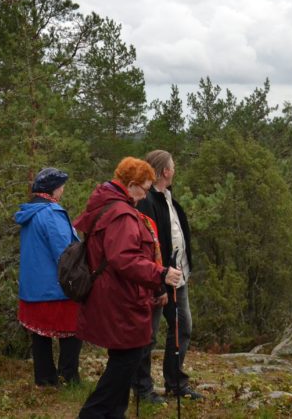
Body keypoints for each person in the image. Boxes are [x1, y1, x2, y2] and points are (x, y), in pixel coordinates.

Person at [74, 157, 183, 419]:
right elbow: (125, 260)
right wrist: (161, 274)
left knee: (124, 355)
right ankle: (92, 413)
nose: (145, 195)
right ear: (131, 185)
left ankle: (114, 413)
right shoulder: (121, 214)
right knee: (128, 358)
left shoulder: (108, 204)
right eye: (145, 189)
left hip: (113, 294)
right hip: (120, 297)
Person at [131, 150, 201, 403]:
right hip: (157, 280)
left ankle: (176, 382)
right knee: (148, 335)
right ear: (165, 171)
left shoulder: (167, 197)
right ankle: (142, 388)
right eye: (173, 166)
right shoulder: (148, 201)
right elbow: (149, 244)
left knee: (183, 328)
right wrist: (157, 283)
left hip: (176, 278)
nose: (175, 170)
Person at [15, 167, 83, 387]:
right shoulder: (51, 213)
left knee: (40, 337)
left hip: (32, 288)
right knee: (73, 331)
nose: (63, 190)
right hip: (56, 289)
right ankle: (68, 376)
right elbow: (65, 253)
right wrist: (81, 276)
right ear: (53, 189)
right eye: (61, 186)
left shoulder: (30, 212)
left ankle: (44, 379)